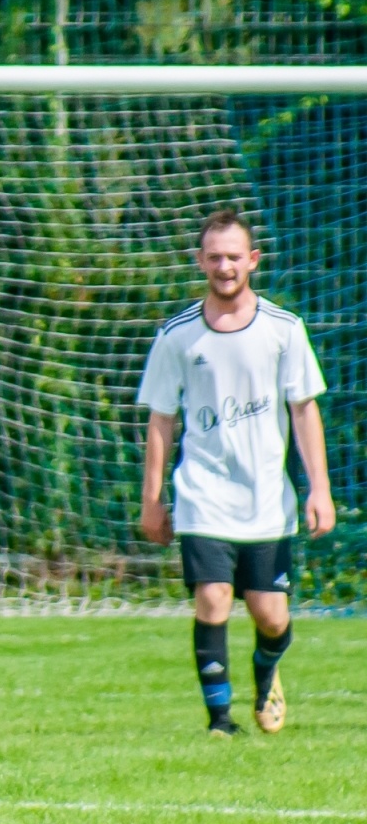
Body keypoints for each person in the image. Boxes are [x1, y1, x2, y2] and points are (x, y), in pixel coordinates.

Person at [137, 208, 334, 738]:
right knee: (213, 597)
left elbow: (303, 409)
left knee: (271, 616)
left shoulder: (283, 330)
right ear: (199, 261)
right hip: (203, 493)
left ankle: (267, 671)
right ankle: (220, 721)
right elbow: (161, 418)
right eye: (214, 257)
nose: (224, 266)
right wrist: (152, 500)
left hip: (267, 498)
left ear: (252, 260)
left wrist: (320, 489)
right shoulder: (176, 336)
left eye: (233, 257)